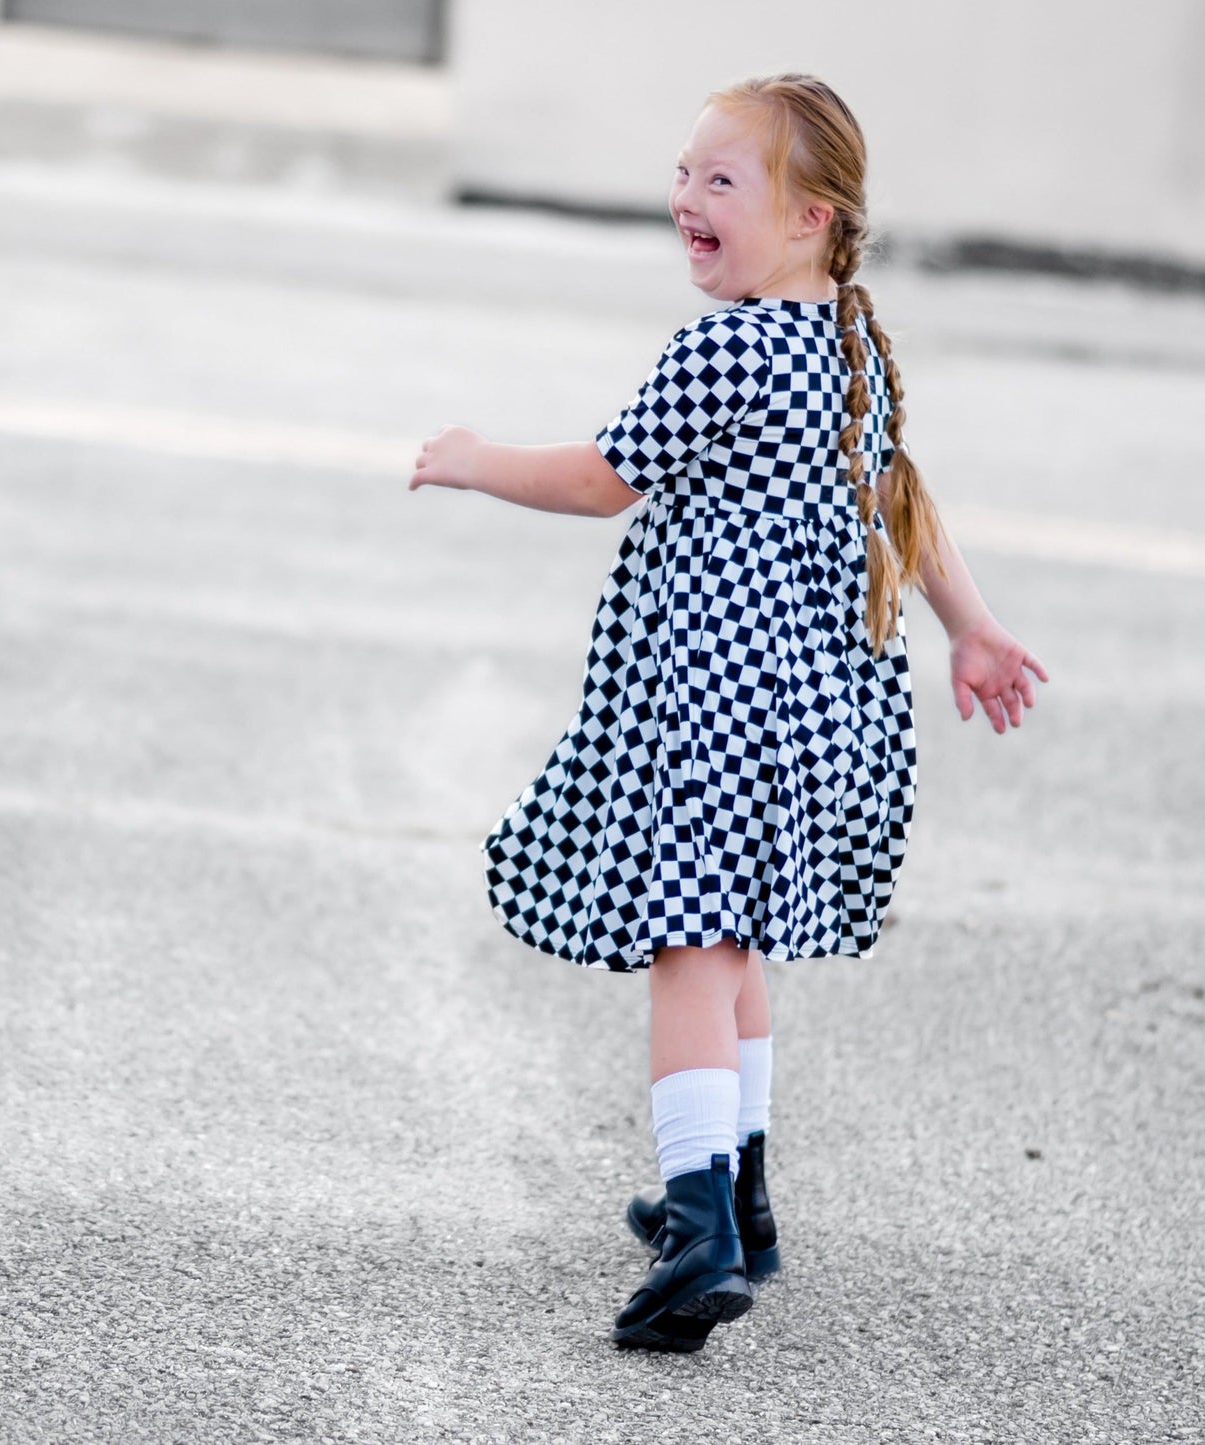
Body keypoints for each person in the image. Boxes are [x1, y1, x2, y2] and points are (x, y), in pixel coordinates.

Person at [409, 73, 1047, 1353]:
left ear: (810, 217)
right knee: (737, 945)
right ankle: (740, 1192)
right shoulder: (849, 348)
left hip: (718, 706)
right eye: (682, 173)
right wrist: (967, 623)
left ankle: (697, 1225)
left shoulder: (725, 349)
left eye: (718, 181)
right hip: (813, 712)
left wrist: (475, 458)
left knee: (689, 950)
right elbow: (903, 502)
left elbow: (600, 481)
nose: (683, 199)